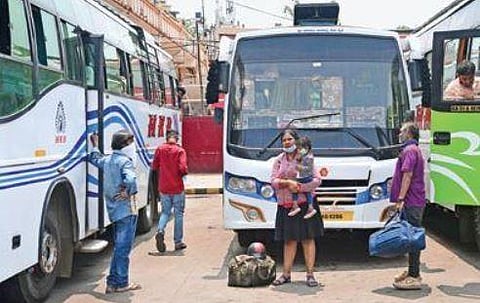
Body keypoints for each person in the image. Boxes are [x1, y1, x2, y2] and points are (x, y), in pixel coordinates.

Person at [89, 130, 142, 294]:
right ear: (124, 145)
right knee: (123, 248)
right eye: (130, 143)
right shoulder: (125, 162)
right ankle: (121, 282)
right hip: (127, 210)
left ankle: (113, 282)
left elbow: (95, 158)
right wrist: (129, 191)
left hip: (113, 210)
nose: (132, 146)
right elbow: (131, 180)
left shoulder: (109, 160)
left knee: (119, 247)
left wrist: (94, 145)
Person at [270, 129, 323, 287]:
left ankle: (310, 275)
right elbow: (273, 180)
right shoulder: (279, 160)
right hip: (286, 205)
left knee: (307, 239)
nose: (287, 142)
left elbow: (317, 180)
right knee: (289, 241)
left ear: (296, 141)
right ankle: (286, 274)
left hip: (305, 205)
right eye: (284, 140)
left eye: (290, 139)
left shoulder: (304, 158)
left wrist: (299, 187)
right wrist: (287, 183)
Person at [390, 122, 426, 290]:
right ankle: (412, 271)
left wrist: (401, 198)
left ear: (410, 134)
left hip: (412, 201)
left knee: (413, 238)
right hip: (413, 200)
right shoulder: (411, 149)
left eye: (403, 130)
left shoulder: (410, 151)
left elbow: (407, 176)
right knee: (411, 236)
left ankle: (414, 274)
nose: (400, 133)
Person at [152, 129, 188, 252]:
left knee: (165, 212)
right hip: (177, 187)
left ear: (166, 138)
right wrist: (184, 173)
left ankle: (160, 230)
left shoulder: (160, 149)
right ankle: (178, 242)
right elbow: (183, 168)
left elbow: (154, 166)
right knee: (178, 214)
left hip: (164, 187)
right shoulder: (180, 151)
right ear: (176, 138)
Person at [288, 136, 317, 219]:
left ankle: (296, 206)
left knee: (294, 188)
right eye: (298, 149)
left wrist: (300, 167)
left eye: (300, 149)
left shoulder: (309, 157)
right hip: (303, 176)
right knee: (307, 193)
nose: (299, 151)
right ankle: (309, 207)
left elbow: (309, 169)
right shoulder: (303, 155)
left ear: (307, 148)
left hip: (306, 177)